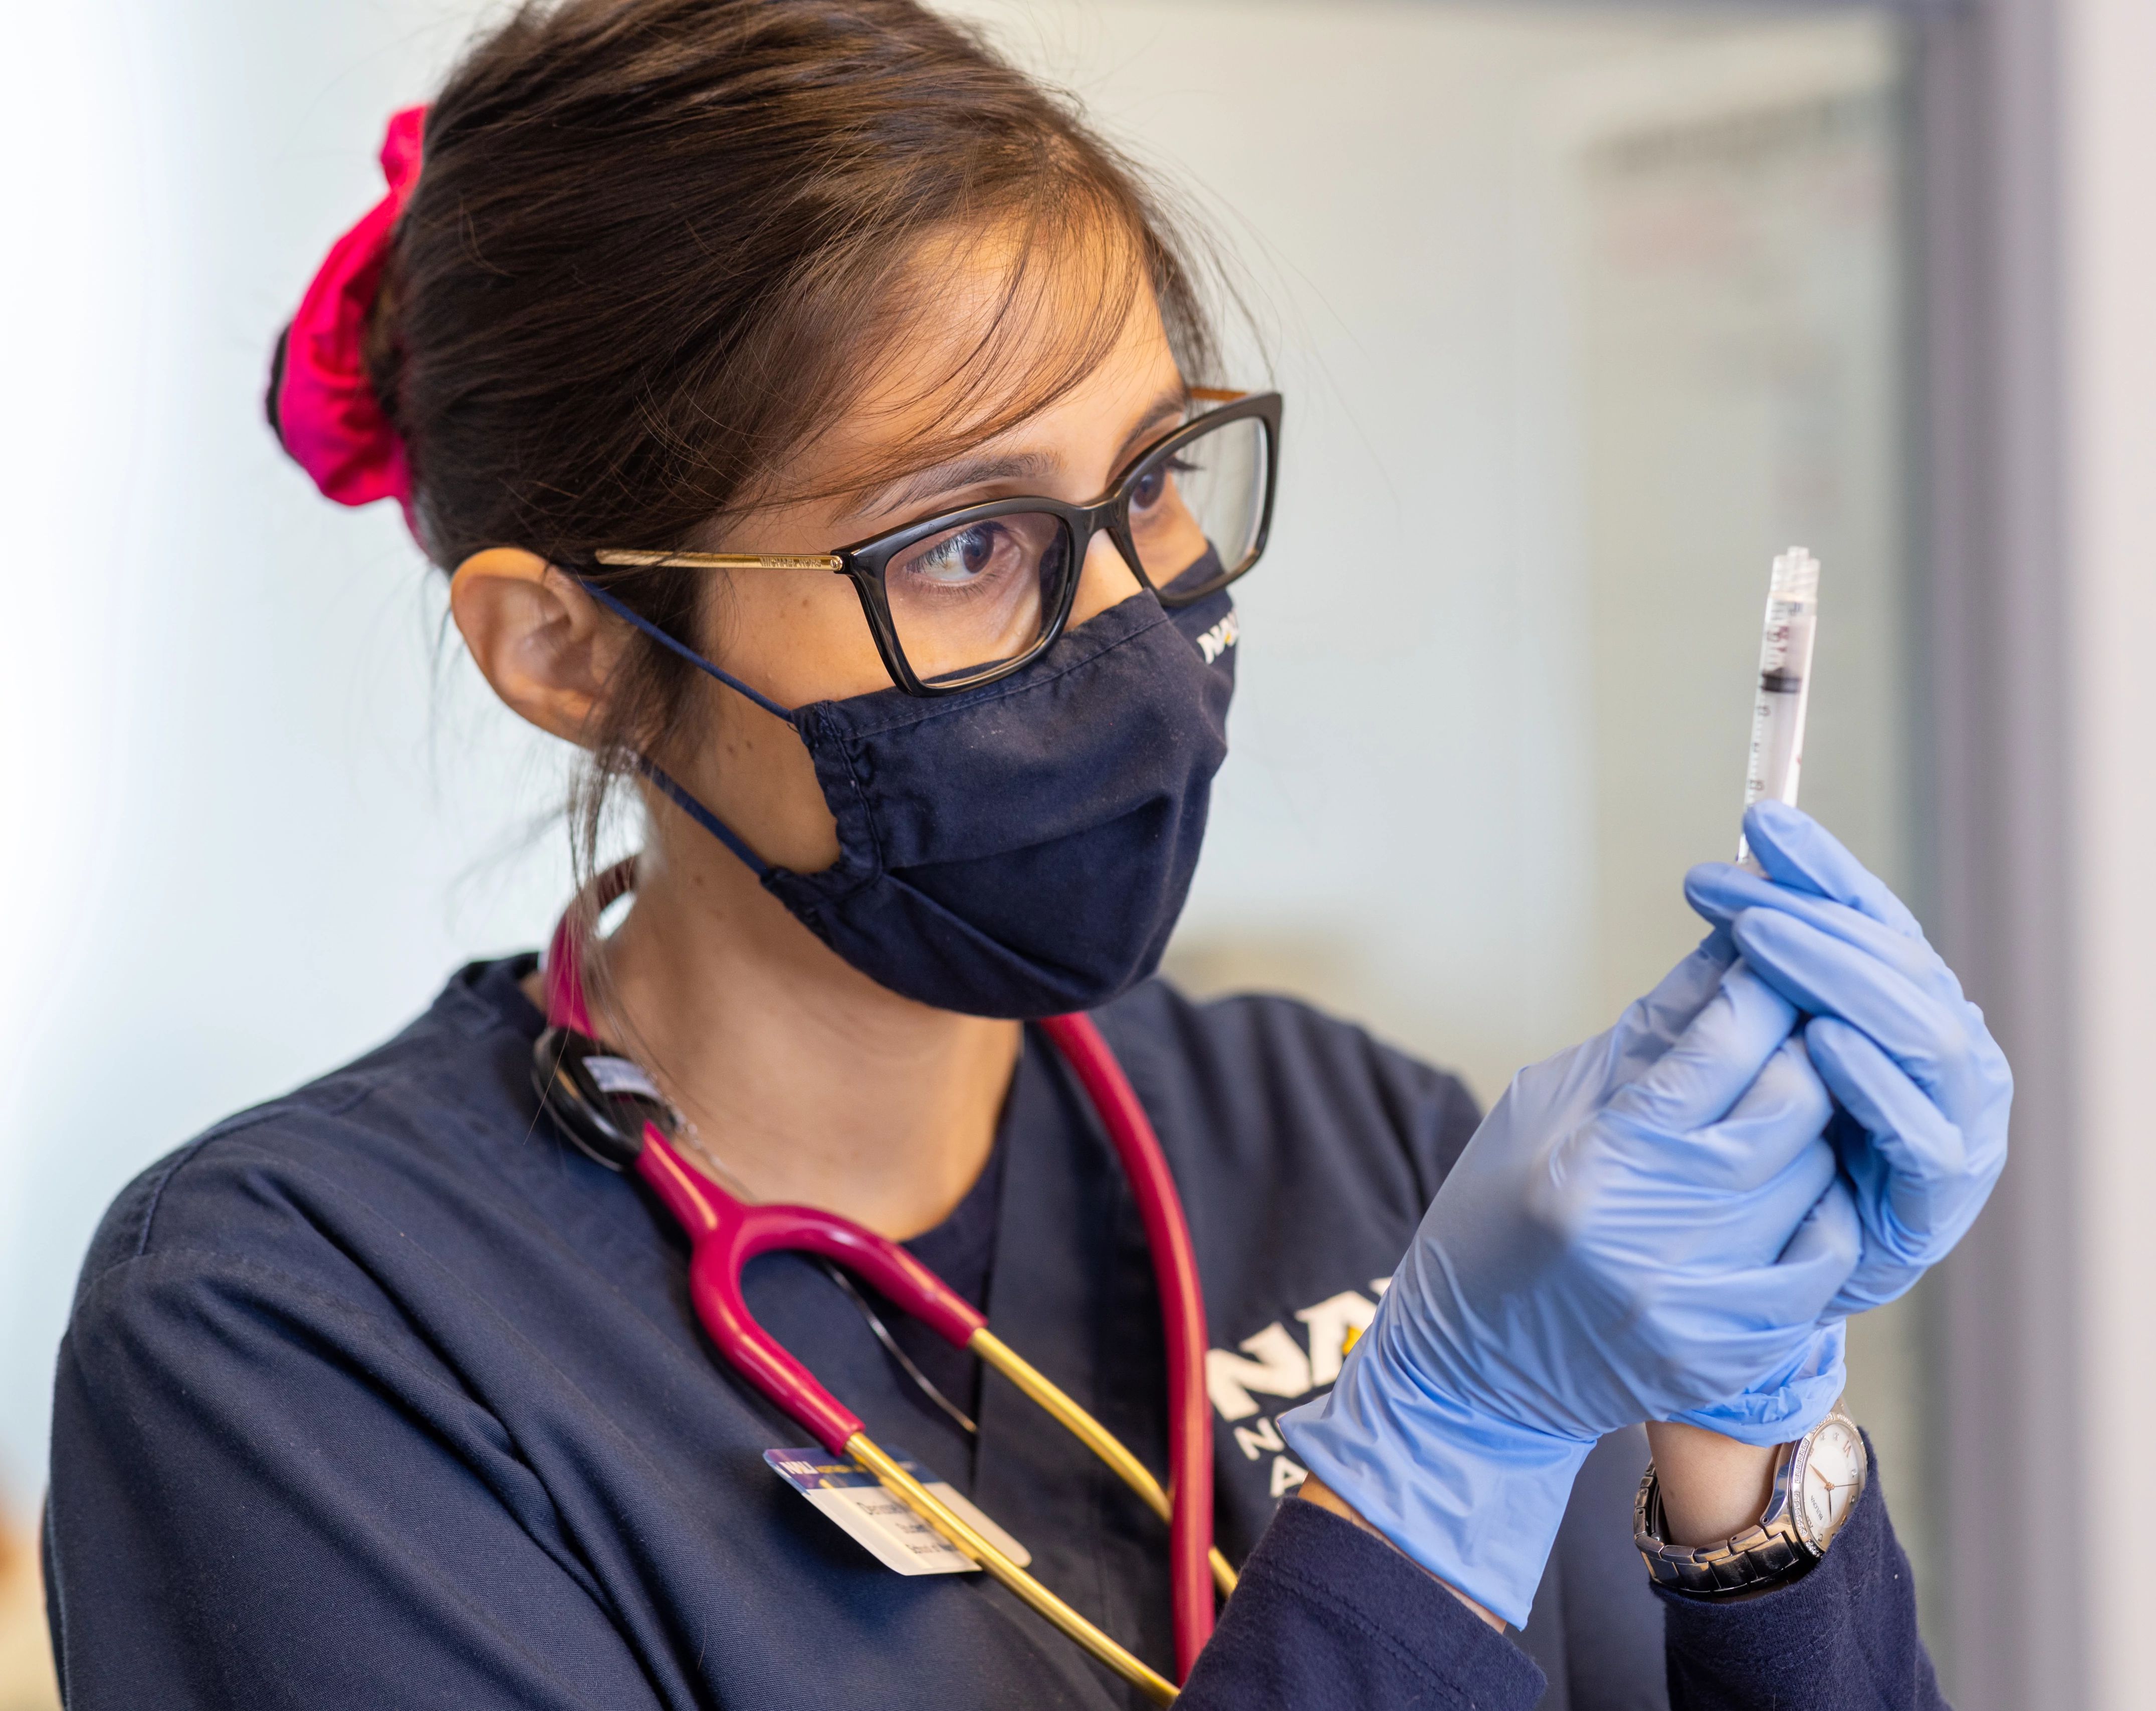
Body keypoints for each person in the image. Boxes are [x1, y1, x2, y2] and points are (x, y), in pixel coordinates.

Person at [41, 3, 2011, 1706]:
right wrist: (1430, 1465)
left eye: (1153, 481)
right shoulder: (307, 1342)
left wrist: (1746, 1459)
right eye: (961, 542)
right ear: (567, 648)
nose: (1135, 632)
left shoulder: (1349, 1141)